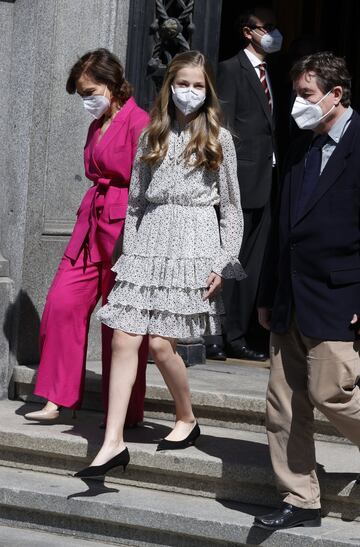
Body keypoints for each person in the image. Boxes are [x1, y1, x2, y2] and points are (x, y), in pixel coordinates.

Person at [74, 50, 245, 478]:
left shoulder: (219, 139)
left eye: (198, 85)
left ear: (208, 92)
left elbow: (234, 208)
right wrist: (127, 258)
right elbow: (133, 204)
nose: (190, 92)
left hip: (193, 241)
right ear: (169, 86)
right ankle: (113, 442)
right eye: (182, 84)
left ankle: (186, 416)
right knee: (124, 339)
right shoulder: (151, 135)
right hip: (148, 240)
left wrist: (224, 261)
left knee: (160, 344)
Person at [255, 52, 360, 530]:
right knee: (284, 403)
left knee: (331, 392)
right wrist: (265, 293)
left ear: (336, 95)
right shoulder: (299, 146)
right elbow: (281, 227)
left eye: (306, 95)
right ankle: (300, 498)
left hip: (339, 296)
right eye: (296, 93)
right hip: (288, 299)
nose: (298, 104)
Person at [25, 48, 149, 426]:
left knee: (119, 321)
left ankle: (124, 410)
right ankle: (56, 398)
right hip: (89, 224)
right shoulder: (98, 123)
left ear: (113, 85)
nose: (86, 100)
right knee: (61, 305)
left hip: (123, 226)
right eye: (81, 94)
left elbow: (147, 182)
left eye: (90, 91)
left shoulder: (140, 121)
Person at [206, 6, 281, 361]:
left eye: (273, 27)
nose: (271, 33)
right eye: (264, 28)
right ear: (247, 32)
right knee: (230, 260)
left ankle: (237, 333)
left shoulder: (271, 73)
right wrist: (229, 180)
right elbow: (226, 129)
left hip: (267, 180)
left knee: (250, 265)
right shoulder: (230, 70)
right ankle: (219, 334)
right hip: (241, 181)